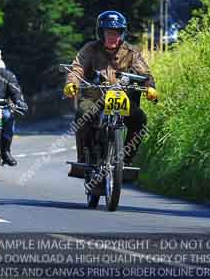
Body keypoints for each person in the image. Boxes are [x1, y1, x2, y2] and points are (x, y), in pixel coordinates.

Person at [63, 11, 158, 165]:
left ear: (122, 34)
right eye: (109, 32)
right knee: (83, 115)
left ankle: (126, 160)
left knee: (140, 119)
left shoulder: (132, 52)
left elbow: (144, 73)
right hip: (94, 97)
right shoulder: (90, 49)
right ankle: (83, 159)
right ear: (101, 33)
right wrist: (71, 83)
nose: (113, 37)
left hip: (121, 98)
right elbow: (77, 67)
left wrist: (150, 87)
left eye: (117, 32)